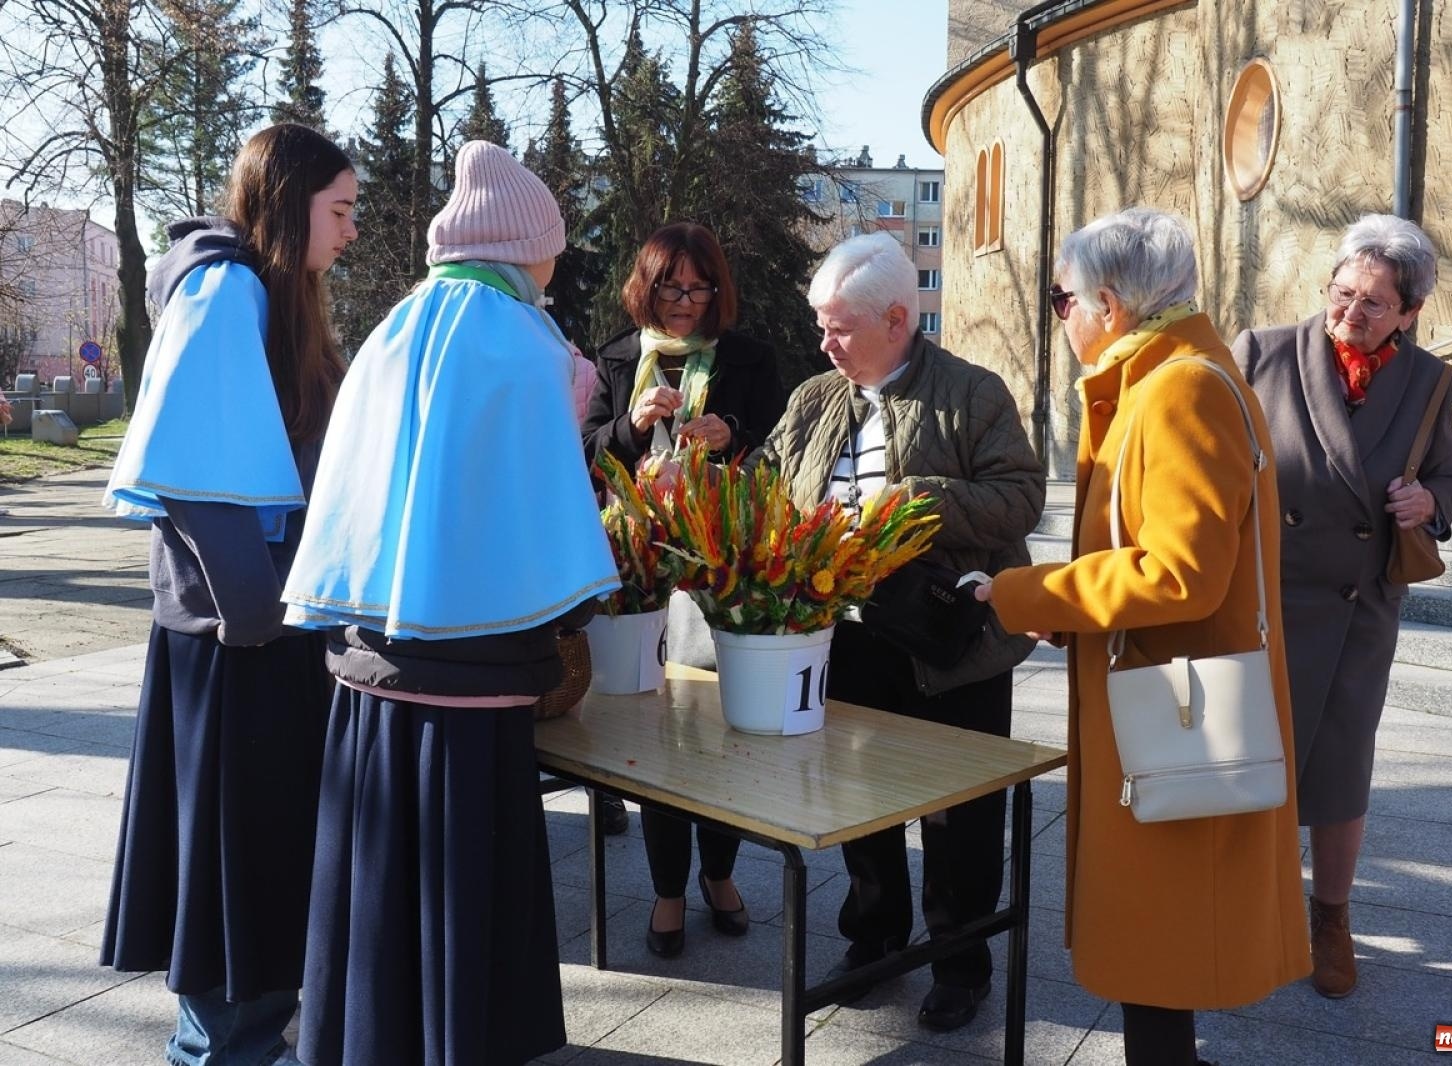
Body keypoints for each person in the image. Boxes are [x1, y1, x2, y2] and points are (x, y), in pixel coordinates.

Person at [281, 141, 619, 1065]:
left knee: (379, 896)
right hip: (474, 682)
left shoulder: (395, 327)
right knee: (461, 899)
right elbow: (544, 508)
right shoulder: (521, 339)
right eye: (551, 252)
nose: (554, 271)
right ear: (525, 249)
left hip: (368, 670)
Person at [976, 208, 1310, 1066]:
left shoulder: (1179, 388)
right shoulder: (1163, 378)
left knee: (1162, 944)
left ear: (1111, 305)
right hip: (1155, 696)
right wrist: (1073, 613)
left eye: (1062, 299)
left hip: (1173, 709)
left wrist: (1028, 591)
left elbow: (1182, 574)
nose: (1061, 317)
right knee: (1156, 943)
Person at [100, 123, 358, 1066]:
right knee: (235, 872)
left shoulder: (253, 291)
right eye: (340, 210)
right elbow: (195, 471)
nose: (352, 230)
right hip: (238, 640)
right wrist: (255, 614)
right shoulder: (226, 288)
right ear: (289, 205)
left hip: (251, 632)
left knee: (243, 867)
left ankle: (228, 1048)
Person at [751, 230, 1044, 1031]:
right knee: (859, 804)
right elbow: (765, 481)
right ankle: (874, 941)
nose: (826, 343)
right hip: (846, 639)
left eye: (839, 328)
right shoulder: (815, 398)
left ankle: (961, 961)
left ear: (895, 320)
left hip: (954, 647)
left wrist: (917, 499)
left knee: (959, 819)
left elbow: (1021, 499)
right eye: (821, 326)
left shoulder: (973, 393)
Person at [1232, 213, 1452, 1000]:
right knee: (1251, 762)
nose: (1351, 312)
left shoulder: (1429, 382)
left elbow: (1451, 480)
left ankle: (1330, 918)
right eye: (1342, 293)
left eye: (1374, 303)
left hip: (1357, 607)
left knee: (1339, 769)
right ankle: (1246, 909)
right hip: (1264, 601)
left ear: (1409, 312)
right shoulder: (1260, 353)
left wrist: (1428, 501)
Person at [580, 221, 784, 951]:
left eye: (700, 289)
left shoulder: (749, 358)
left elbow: (781, 450)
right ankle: (668, 889)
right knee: (655, 729)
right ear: (647, 286)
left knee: (722, 723)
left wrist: (732, 434)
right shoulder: (615, 358)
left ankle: (719, 873)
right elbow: (585, 454)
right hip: (638, 571)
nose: (686, 302)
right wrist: (631, 428)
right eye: (672, 287)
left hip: (721, 564)